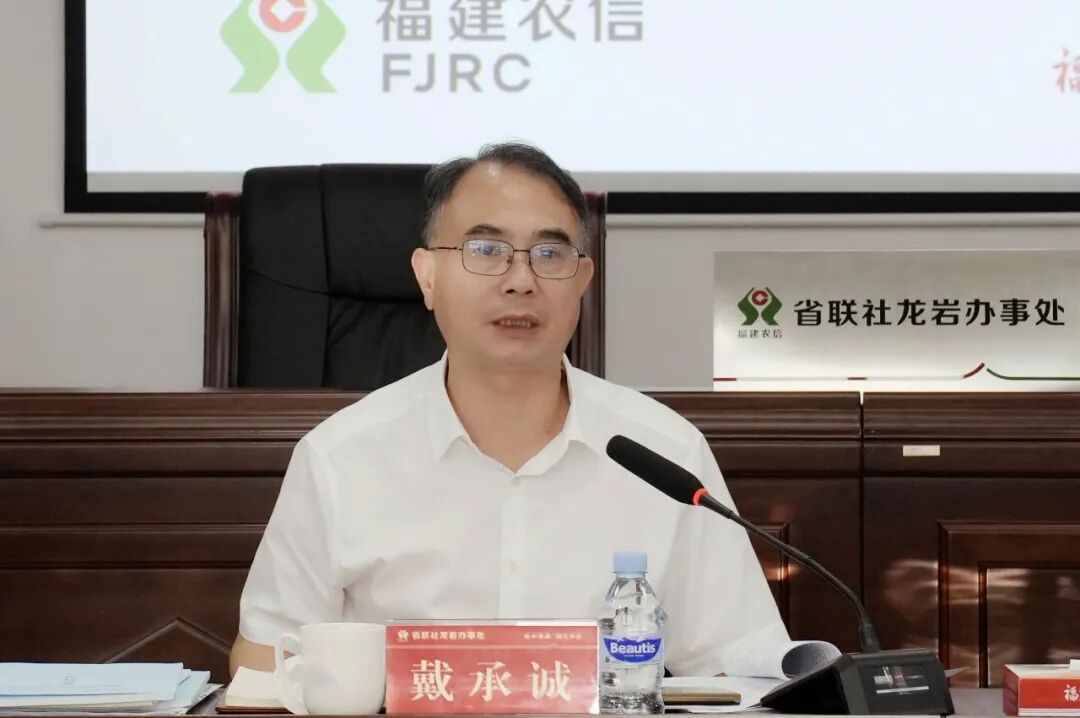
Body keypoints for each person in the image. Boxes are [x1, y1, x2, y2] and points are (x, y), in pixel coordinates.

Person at [230, 142, 788, 676]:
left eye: (550, 254)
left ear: (582, 281)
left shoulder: (666, 453)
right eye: (485, 250)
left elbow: (738, 663)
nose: (521, 281)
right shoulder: (339, 457)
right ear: (427, 276)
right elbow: (267, 663)